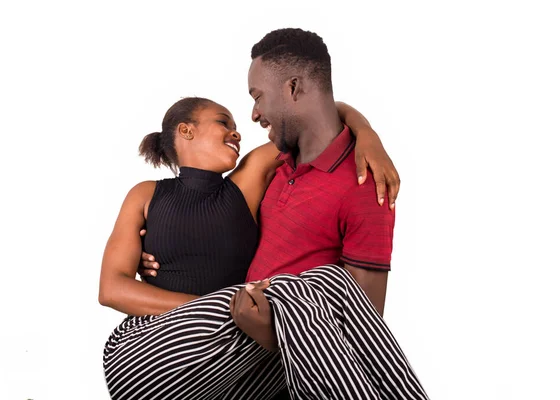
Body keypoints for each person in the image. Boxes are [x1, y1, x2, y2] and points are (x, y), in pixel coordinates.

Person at [101, 29, 427, 399]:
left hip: (243, 359)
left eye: (253, 103)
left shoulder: (261, 177)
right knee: (299, 290)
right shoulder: (151, 194)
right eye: (225, 122)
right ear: (186, 131)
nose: (244, 125)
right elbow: (111, 288)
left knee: (312, 290)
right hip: (157, 347)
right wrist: (224, 307)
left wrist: (367, 134)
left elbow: (318, 113)